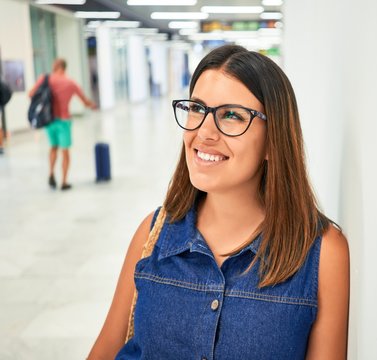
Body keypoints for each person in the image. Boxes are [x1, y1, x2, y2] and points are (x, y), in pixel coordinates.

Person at [88, 45, 350, 359]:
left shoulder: (323, 254)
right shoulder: (153, 233)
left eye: (231, 115)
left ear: (273, 141)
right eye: (197, 109)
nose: (204, 132)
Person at [28, 58, 96, 190]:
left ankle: (51, 173)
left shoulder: (45, 78)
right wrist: (92, 105)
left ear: (56, 66)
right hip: (64, 121)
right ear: (65, 67)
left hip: (49, 120)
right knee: (65, 151)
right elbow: (85, 102)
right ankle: (64, 182)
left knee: (53, 147)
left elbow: (31, 94)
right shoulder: (71, 83)